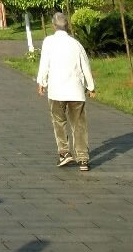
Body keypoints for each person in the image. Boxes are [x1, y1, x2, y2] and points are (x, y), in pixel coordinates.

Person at [36, 12, 96, 171]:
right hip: (76, 91)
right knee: (79, 125)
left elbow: (44, 63)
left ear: (53, 26)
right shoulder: (76, 44)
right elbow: (85, 65)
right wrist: (91, 86)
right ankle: (83, 159)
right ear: (67, 26)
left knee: (59, 121)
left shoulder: (49, 42)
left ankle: (64, 153)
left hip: (56, 91)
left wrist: (42, 82)